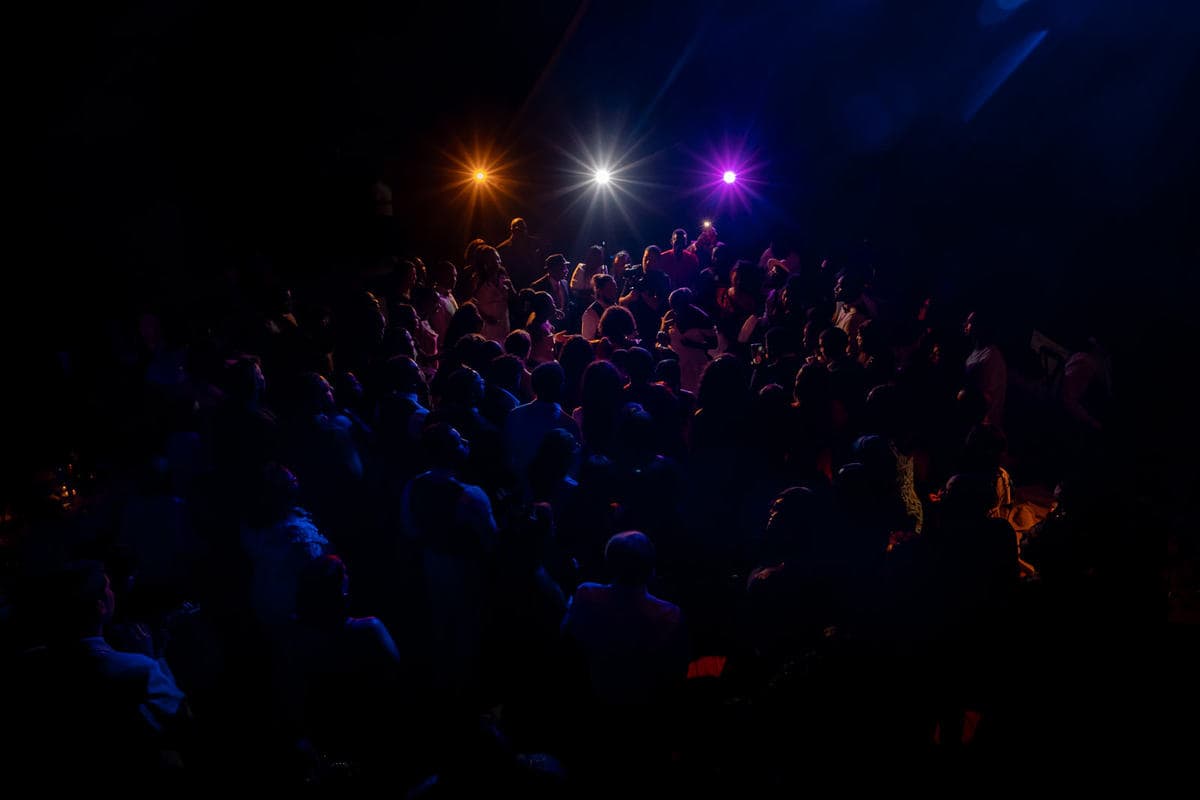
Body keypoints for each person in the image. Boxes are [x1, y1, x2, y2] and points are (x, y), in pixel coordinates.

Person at [5, 561, 189, 783]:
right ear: (100, 606)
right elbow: (183, 721)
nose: (114, 592)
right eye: (109, 587)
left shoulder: (28, 663)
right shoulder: (139, 668)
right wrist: (156, 657)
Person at [400, 425, 498, 698]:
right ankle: (466, 695)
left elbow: (409, 528)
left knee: (441, 625)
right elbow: (491, 540)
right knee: (468, 628)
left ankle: (443, 690)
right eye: (458, 440)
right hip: (466, 568)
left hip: (432, 563)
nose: (465, 440)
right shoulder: (470, 495)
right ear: (448, 451)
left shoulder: (414, 484)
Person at [277, 555, 401, 767]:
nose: (349, 574)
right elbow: (396, 677)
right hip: (374, 735)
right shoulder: (368, 630)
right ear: (339, 587)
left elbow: (288, 694)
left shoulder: (294, 638)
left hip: (323, 738)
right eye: (344, 571)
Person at [561, 531, 688, 706]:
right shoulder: (668, 614)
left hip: (589, 697)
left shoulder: (587, 594)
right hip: (648, 703)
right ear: (651, 568)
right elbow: (677, 671)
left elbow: (567, 638)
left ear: (609, 564)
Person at [241, 463, 329, 629]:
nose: (296, 481)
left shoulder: (254, 528)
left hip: (268, 604)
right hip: (297, 610)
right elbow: (318, 567)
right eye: (291, 481)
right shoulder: (295, 534)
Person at [504, 362, 581, 484]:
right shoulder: (569, 425)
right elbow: (574, 469)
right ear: (561, 387)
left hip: (520, 489)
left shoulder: (514, 415)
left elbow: (509, 457)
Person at [662, 288, 717, 394]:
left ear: (685, 304)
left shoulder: (700, 317)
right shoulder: (670, 315)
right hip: (677, 364)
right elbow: (662, 337)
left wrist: (693, 344)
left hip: (697, 364)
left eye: (675, 306)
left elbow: (714, 344)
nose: (673, 309)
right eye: (671, 305)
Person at [963, 310, 1007, 429]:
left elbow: (987, 398)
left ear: (980, 326)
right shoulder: (977, 350)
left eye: (970, 322)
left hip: (982, 426)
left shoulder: (991, 357)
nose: (965, 324)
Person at [468, 245, 514, 344]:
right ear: (485, 262)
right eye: (494, 259)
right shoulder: (478, 280)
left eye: (498, 258)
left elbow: (514, 300)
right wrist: (485, 317)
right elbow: (471, 304)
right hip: (486, 327)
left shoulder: (502, 276)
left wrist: (511, 288)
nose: (498, 261)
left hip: (503, 325)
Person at [496, 217, 542, 289]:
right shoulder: (503, 248)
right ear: (512, 230)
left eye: (523, 228)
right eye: (518, 229)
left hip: (536, 283)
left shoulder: (535, 243)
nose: (521, 231)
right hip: (515, 285)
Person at [531, 253, 571, 318]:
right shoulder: (538, 286)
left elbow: (567, 305)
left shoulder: (565, 283)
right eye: (562, 268)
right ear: (551, 270)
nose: (566, 271)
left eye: (566, 267)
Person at [581, 273, 619, 340]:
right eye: (610, 289)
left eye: (615, 288)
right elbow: (588, 341)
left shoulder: (616, 308)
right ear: (600, 291)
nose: (614, 292)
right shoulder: (591, 314)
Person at [430, 260, 460, 340]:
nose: (454, 279)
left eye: (455, 276)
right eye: (450, 275)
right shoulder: (435, 298)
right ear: (441, 275)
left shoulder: (449, 295)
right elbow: (440, 328)